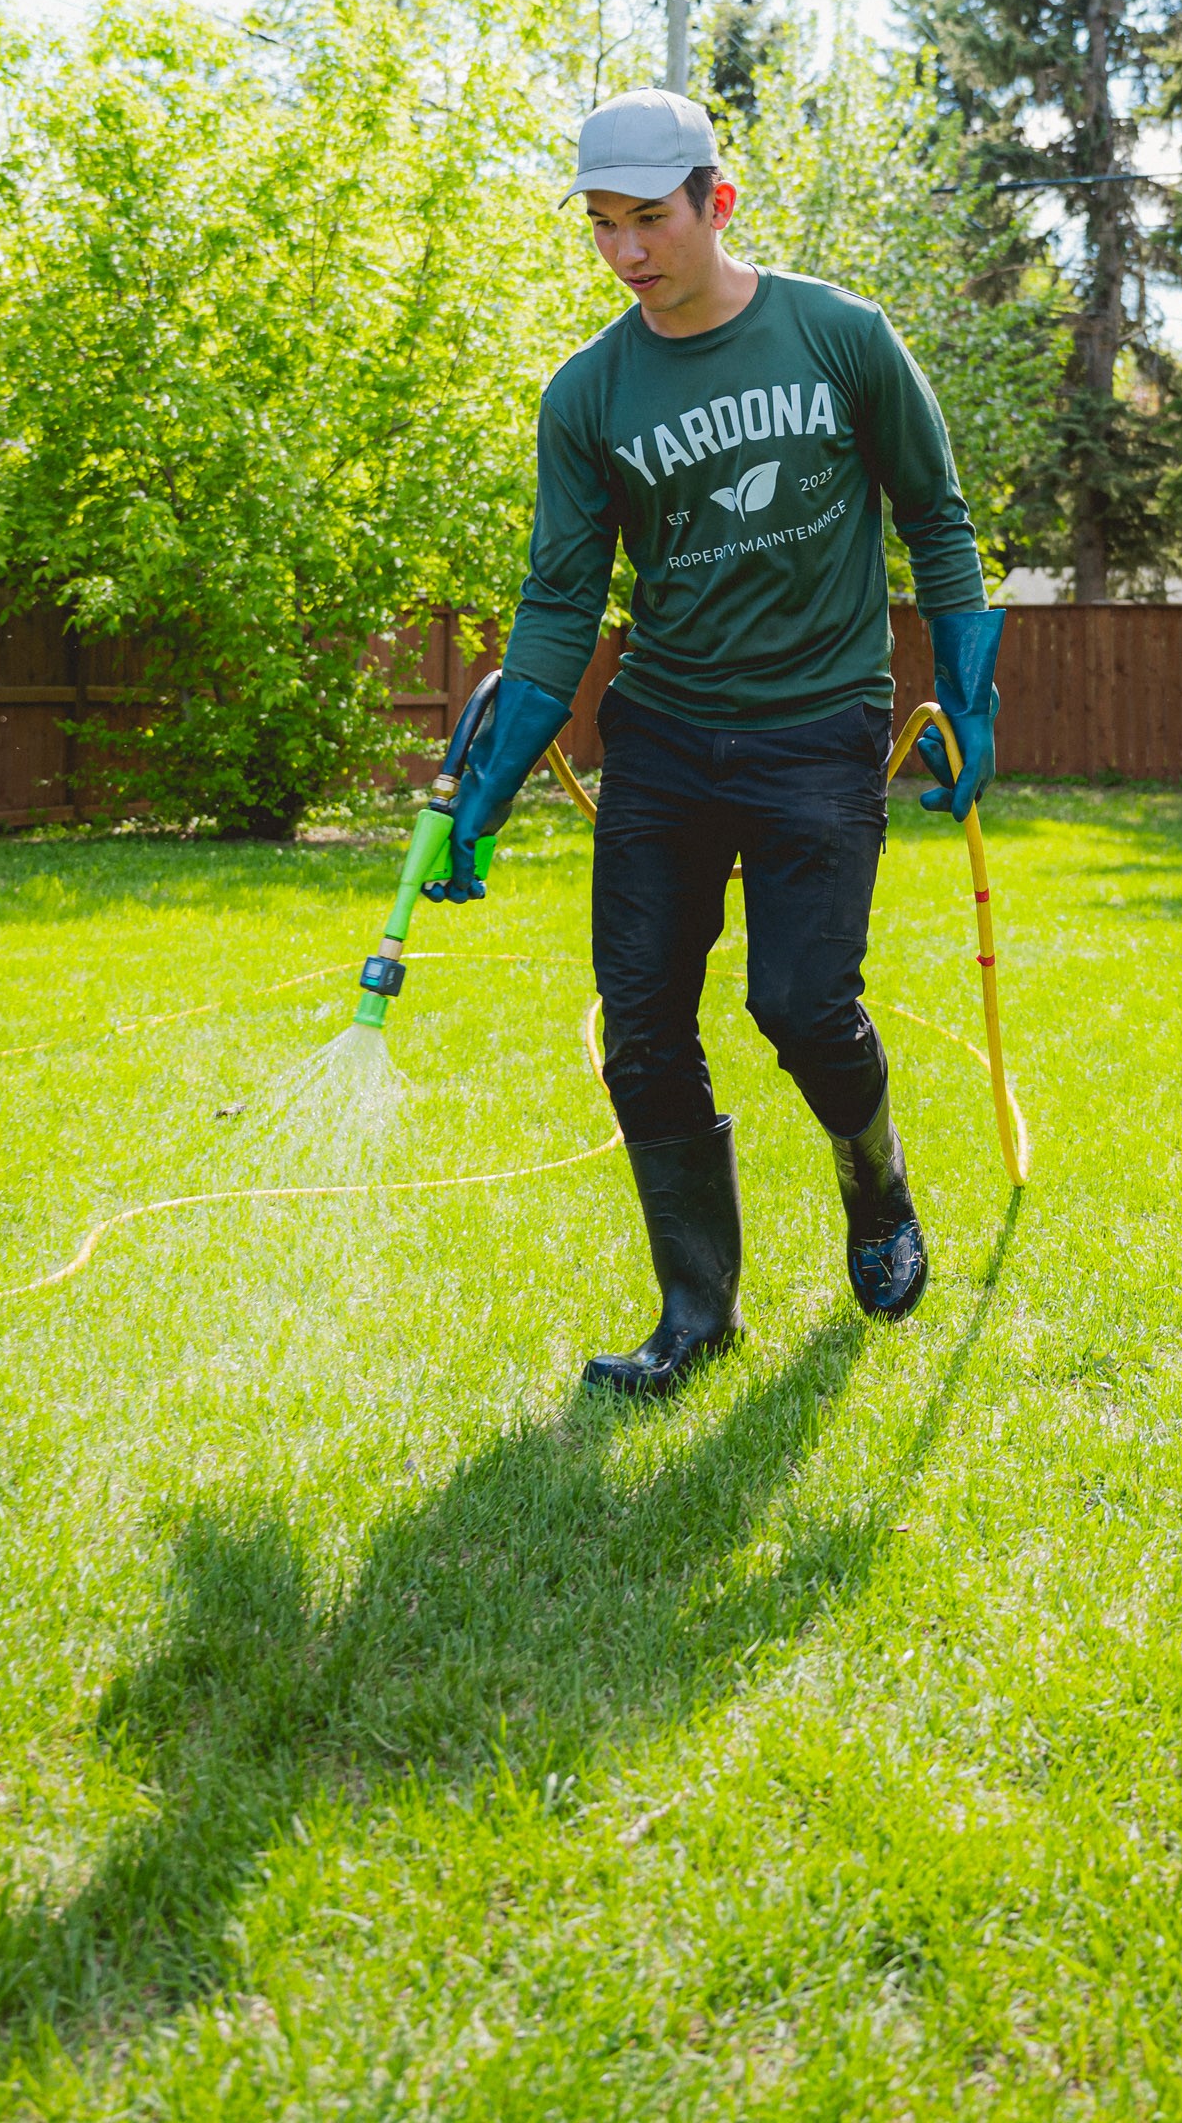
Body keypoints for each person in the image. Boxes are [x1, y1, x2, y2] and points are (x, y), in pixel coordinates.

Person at [424, 86, 1005, 1397]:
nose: (627, 251)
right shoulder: (588, 396)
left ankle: (877, 1187)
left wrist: (969, 691)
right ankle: (696, 1312)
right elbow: (563, 600)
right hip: (668, 741)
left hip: (819, 733)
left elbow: (938, 517)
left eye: (649, 220)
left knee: (800, 1003)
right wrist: (495, 779)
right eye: (602, 226)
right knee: (641, 1032)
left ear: (715, 204)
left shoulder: (840, 337)